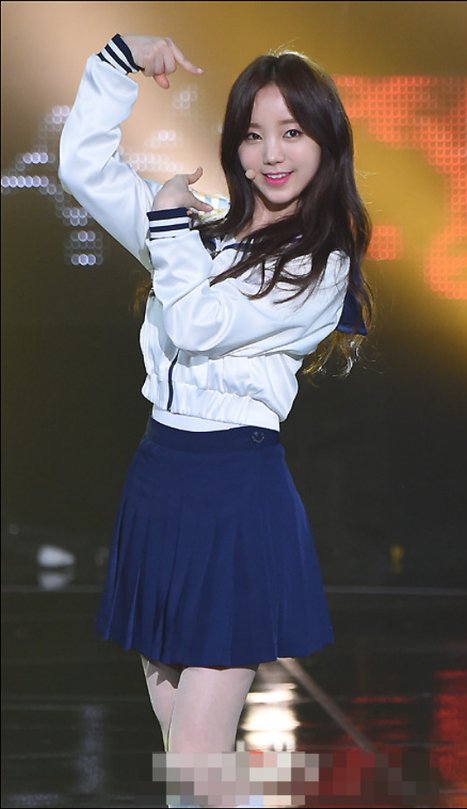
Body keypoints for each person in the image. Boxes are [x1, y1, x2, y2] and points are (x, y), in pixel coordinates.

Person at [58, 31, 372, 766]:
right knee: (184, 751)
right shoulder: (199, 222)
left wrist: (169, 224)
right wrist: (118, 61)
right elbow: (82, 167)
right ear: (233, 144)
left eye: (292, 132)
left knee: (195, 755)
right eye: (254, 134)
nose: (272, 153)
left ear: (326, 143)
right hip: (160, 476)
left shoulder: (319, 266)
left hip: (236, 488)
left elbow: (198, 325)